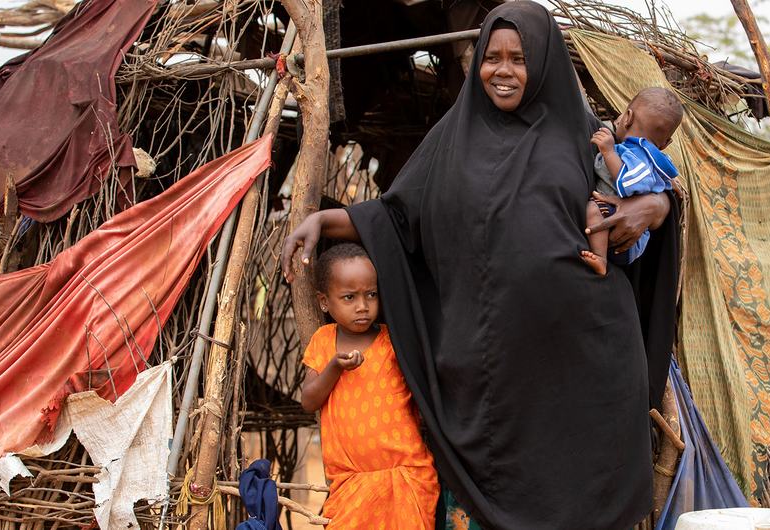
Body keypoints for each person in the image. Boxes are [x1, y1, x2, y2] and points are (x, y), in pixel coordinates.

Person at [280, 2, 681, 528]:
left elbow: (646, 189)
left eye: (519, 58)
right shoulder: (453, 138)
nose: (504, 70)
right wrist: (325, 222)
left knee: (586, 501)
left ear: (542, 62)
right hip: (489, 369)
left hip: (581, 363)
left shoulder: (579, 132)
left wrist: (654, 207)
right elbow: (399, 216)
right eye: (492, 57)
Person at [299, 243, 438, 529]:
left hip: (405, 477)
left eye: (371, 295)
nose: (363, 306)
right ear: (324, 302)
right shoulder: (324, 341)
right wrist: (334, 367)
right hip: (350, 485)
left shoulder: (394, 341)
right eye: (349, 297)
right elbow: (309, 400)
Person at [581, 87, 683, 276]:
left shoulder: (636, 153)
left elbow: (630, 184)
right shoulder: (650, 157)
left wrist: (609, 153)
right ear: (667, 143)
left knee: (593, 210)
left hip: (625, 239)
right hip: (625, 233)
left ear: (627, 117)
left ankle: (601, 259)